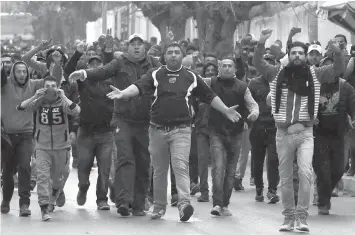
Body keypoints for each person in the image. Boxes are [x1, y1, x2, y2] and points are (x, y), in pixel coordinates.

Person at [86, 42, 242, 221]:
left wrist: (226, 110)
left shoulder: (191, 76)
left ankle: (184, 204)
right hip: (157, 129)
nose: (174, 55)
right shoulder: (155, 74)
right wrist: (123, 94)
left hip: (181, 130)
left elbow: (209, 96)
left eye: (177, 52)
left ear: (182, 56)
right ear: (165, 57)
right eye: (170, 52)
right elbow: (138, 86)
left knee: (179, 165)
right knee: (159, 170)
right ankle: (159, 207)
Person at [253, 29, 344, 232]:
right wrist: (261, 43)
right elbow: (258, 63)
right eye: (293, 53)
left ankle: (302, 217)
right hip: (283, 133)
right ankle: (288, 218)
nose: (297, 56)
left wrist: (337, 52)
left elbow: (338, 69)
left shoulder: (316, 73)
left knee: (305, 173)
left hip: (305, 133)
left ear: (306, 57)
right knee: (285, 177)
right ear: (288, 55)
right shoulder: (276, 72)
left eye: (300, 53)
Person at [68, 33, 160, 217]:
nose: (136, 47)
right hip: (122, 120)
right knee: (125, 158)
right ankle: (123, 201)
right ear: (127, 47)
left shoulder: (154, 66)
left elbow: (169, 77)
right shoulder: (119, 63)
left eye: (139, 44)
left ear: (145, 47)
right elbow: (102, 71)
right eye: (132, 44)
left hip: (145, 121)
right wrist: (85, 73)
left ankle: (139, 203)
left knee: (143, 162)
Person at [1, 52, 62, 216]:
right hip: (6, 135)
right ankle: (6, 200)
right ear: (13, 73)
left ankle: (24, 204)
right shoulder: (4, 84)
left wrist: (55, 64)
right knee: (7, 171)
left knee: (24, 167)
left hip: (26, 135)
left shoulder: (34, 85)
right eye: (18, 71)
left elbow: (53, 80)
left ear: (27, 73)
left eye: (24, 71)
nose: (21, 74)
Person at [17, 75, 80, 221]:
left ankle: (56, 192)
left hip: (62, 147)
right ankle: (44, 207)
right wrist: (34, 96)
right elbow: (21, 107)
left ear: (57, 87)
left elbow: (77, 111)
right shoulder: (39, 102)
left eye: (53, 85)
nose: (50, 88)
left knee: (60, 176)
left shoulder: (63, 103)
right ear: (43, 87)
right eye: (47, 86)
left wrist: (63, 96)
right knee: (42, 177)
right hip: (42, 146)